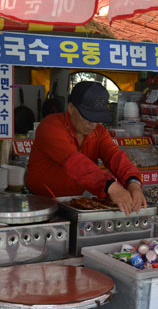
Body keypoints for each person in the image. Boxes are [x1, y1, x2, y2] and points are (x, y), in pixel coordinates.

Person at [26, 81, 146, 215]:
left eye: (97, 118)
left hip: (73, 203)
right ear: (71, 108)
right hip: (40, 204)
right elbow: (74, 162)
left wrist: (133, 182)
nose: (92, 124)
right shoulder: (51, 126)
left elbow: (114, 156)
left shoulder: (99, 132)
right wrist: (110, 187)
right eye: (88, 117)